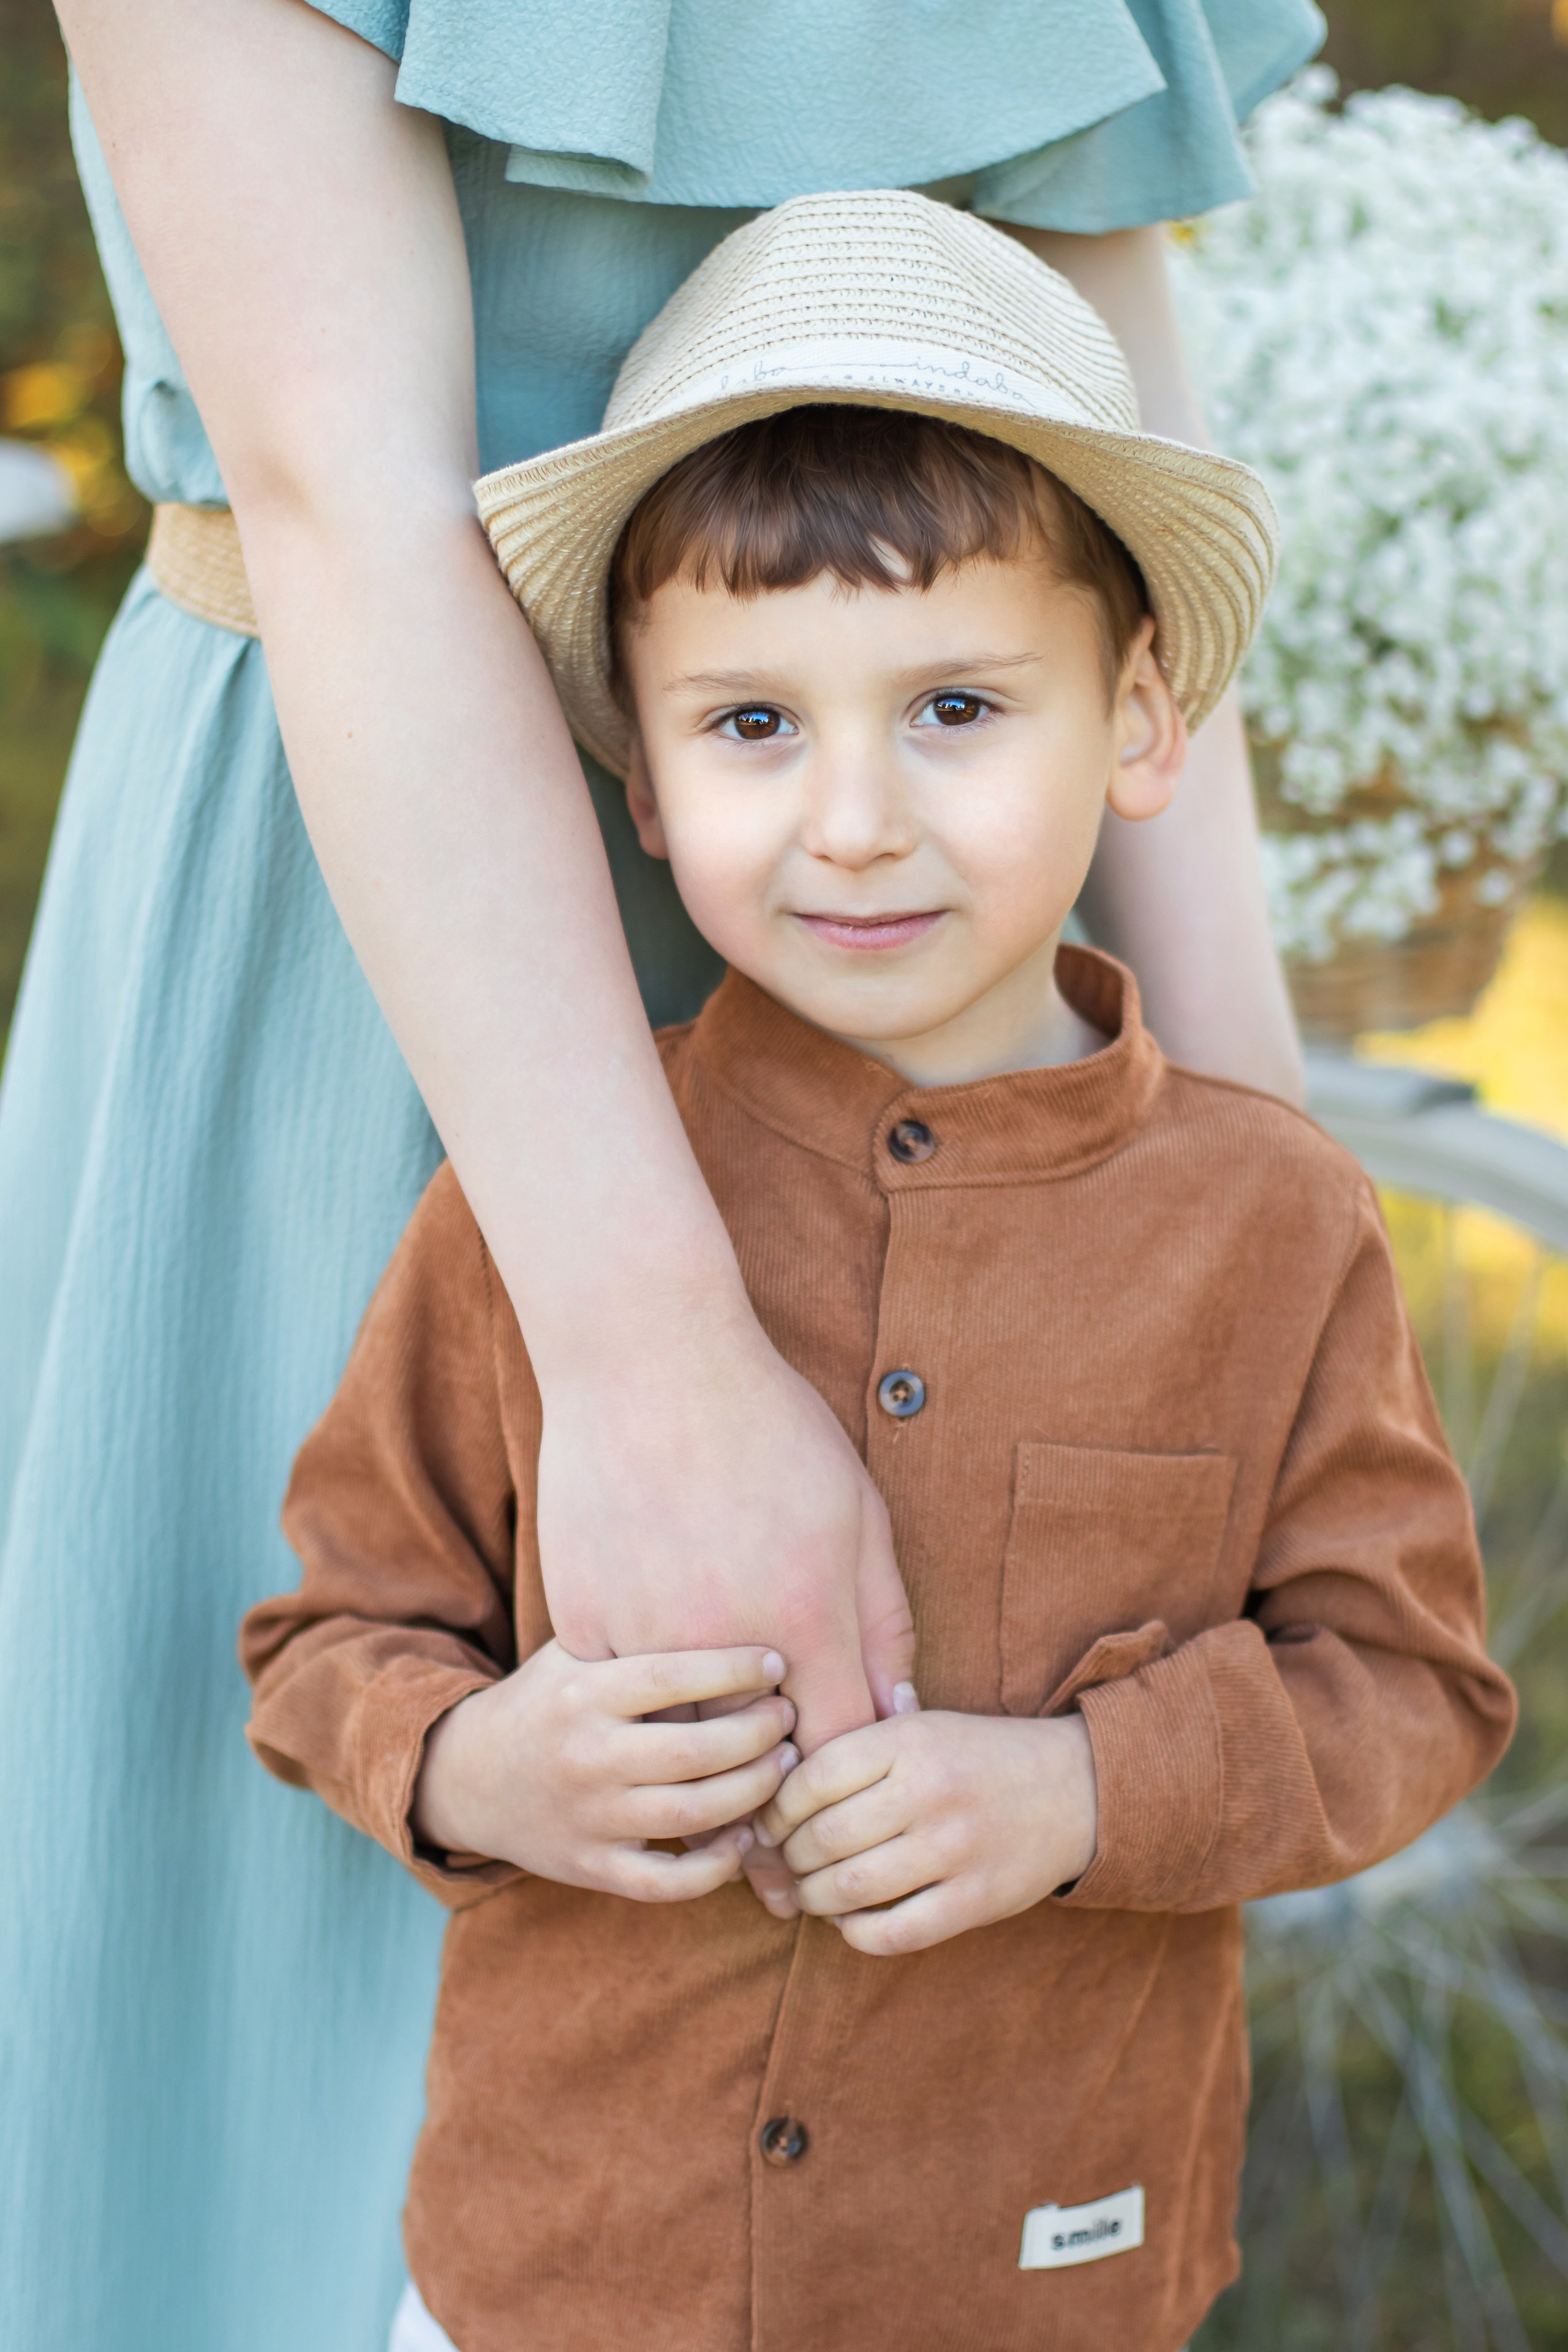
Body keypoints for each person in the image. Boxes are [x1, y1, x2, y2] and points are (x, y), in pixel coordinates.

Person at [2, 6, 1323, 2348]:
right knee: (285, 2084)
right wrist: (652, 1361)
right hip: (381, 903)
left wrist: (1248, 1170)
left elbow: (1107, 381)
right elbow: (347, 484)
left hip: (955, 930)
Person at [241, 196, 1513, 2352]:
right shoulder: (556, 1202)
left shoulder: (1271, 1223)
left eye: (954, 706)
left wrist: (1085, 1793)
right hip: (567, 2269)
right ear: (643, 783)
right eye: (751, 725)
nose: (851, 819)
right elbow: (327, 1636)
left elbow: (1413, 1687)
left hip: (1032, 2274)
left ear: (1138, 723)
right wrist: (478, 1769)